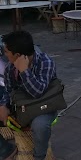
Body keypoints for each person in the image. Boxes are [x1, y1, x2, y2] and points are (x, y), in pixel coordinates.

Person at [0, 31, 57, 160]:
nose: (5, 54)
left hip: (43, 106)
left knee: (40, 126)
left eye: (7, 52)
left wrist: (24, 71)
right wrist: (3, 105)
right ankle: (4, 150)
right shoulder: (10, 67)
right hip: (21, 105)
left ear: (18, 55)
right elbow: (9, 90)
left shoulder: (45, 62)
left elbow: (38, 92)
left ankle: (39, 156)